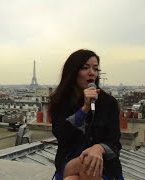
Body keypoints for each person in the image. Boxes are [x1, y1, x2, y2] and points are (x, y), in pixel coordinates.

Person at [49, 49, 124, 180]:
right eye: (85, 68)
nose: (92, 73)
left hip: (104, 167)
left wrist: (99, 148)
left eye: (95, 69)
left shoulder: (108, 102)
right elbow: (61, 135)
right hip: (69, 162)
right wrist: (84, 109)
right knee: (86, 163)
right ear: (72, 72)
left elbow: (115, 142)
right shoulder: (60, 101)